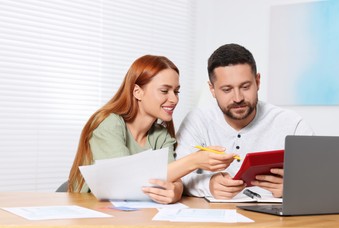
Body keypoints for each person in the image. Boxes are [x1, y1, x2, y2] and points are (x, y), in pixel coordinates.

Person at [68, 54, 236, 204]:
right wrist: (194, 161)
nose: (173, 99)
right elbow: (124, 182)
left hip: (137, 218)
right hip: (93, 216)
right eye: (164, 91)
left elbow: (173, 178)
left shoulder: (161, 135)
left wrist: (176, 191)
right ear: (137, 92)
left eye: (176, 91)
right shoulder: (109, 123)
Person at [175, 43, 315, 199]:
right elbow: (177, 175)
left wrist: (295, 189)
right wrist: (208, 185)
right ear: (212, 89)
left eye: (245, 86)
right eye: (227, 89)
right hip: (214, 219)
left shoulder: (292, 124)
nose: (238, 98)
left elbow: (319, 179)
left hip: (272, 221)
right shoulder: (197, 121)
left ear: (258, 81)